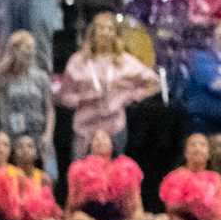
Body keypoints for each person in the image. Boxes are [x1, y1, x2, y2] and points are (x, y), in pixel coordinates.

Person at [54, 13, 162, 158]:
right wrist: (84, 98)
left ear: (115, 34)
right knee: (82, 174)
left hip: (114, 126)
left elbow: (154, 82)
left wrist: (130, 96)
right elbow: (63, 96)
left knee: (115, 174)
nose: (105, 32)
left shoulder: (125, 61)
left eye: (110, 29)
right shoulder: (78, 61)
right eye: (101, 28)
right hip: (85, 127)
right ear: (93, 33)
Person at [64, 129, 165, 220]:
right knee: (78, 219)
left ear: (112, 144)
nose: (100, 141)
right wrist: (84, 198)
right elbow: (70, 208)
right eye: (96, 139)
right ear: (90, 146)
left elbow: (136, 204)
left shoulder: (127, 167)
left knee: (150, 219)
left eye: (104, 138)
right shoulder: (78, 169)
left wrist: (138, 219)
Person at [0, 29, 55, 158]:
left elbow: (49, 109)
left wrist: (48, 135)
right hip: (11, 136)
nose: (31, 52)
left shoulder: (41, 77)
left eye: (32, 48)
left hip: (37, 135)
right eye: (26, 48)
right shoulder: (0, 77)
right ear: (14, 51)